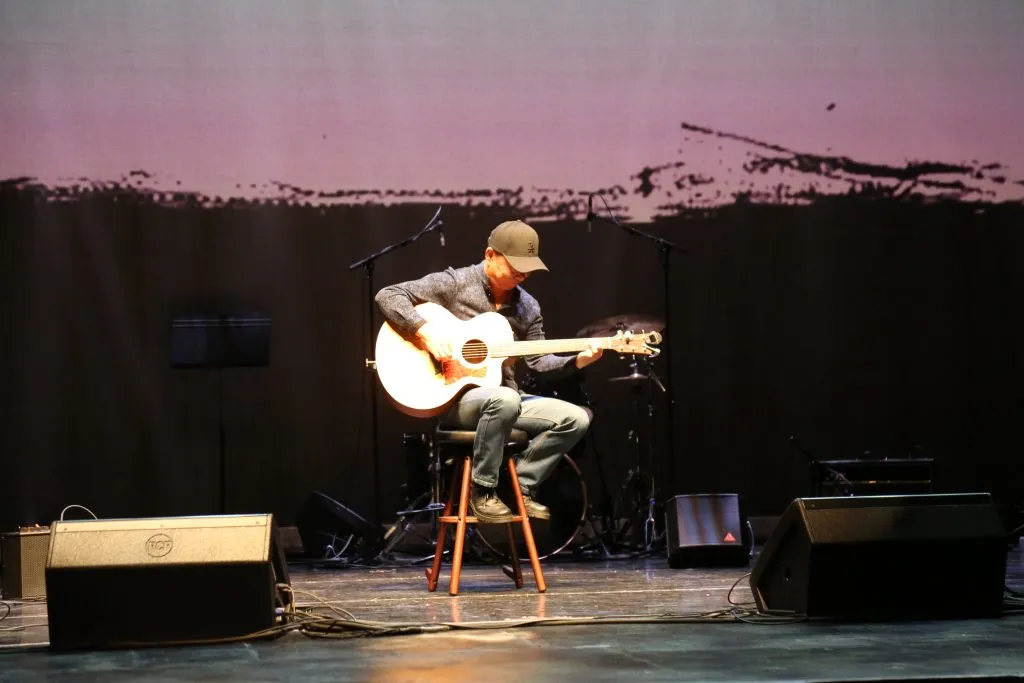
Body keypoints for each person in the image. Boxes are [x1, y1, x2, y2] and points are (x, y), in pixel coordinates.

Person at [375, 220, 604, 523]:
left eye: (528, 268)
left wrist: (578, 361)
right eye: (516, 266)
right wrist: (425, 332)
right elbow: (388, 295)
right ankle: (483, 490)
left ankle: (519, 485)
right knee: (504, 399)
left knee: (576, 418)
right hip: (457, 400)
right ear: (490, 255)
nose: (523, 275)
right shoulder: (456, 283)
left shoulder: (527, 307)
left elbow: (538, 361)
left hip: (505, 400)